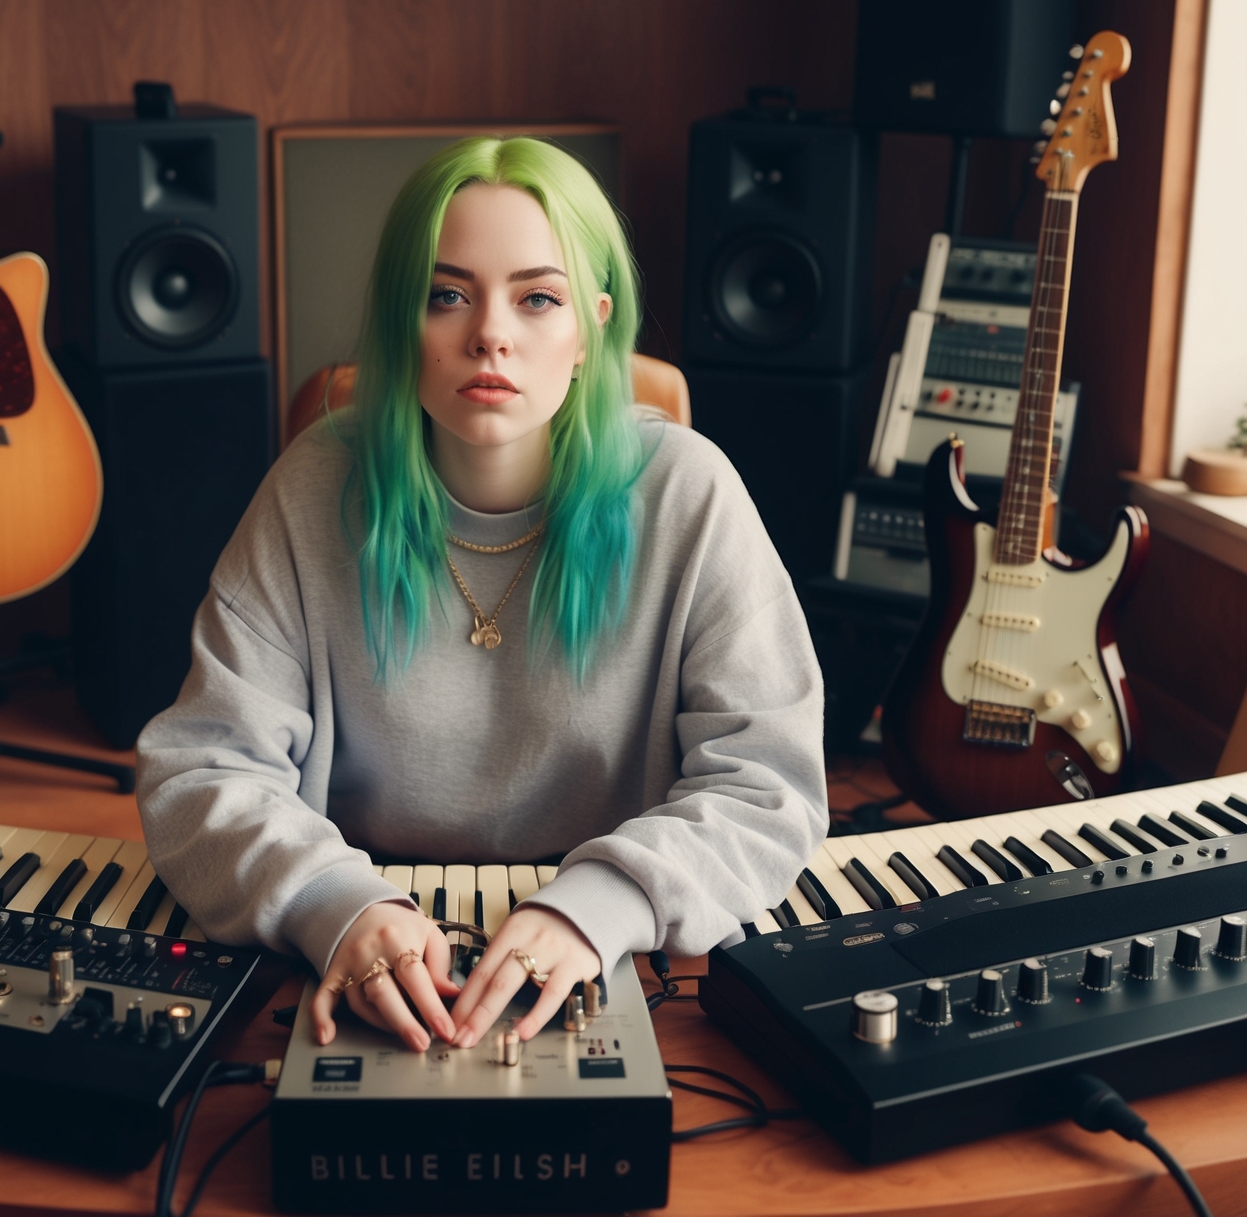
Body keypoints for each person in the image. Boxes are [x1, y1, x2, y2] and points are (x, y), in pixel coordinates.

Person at [136, 136, 826, 1055]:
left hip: (619, 945)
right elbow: (201, 772)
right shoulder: (310, 488)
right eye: (446, 295)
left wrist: (600, 906)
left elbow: (769, 786)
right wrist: (333, 905)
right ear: (397, 322)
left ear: (588, 329)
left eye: (537, 298)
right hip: (368, 944)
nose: (490, 334)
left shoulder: (689, 491)